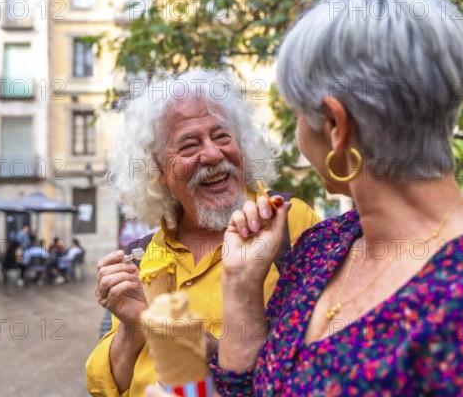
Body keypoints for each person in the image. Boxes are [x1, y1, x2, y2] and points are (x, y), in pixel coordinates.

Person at [147, 0, 463, 395]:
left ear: (335, 126)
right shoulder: (321, 247)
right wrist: (241, 285)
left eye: (296, 114)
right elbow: (246, 387)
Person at [86, 69, 322, 397]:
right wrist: (133, 326)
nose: (212, 154)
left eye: (222, 136)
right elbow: (110, 387)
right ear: (159, 172)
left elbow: (323, 357)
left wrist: (209, 352)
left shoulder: (287, 223)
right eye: (189, 145)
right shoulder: (143, 256)